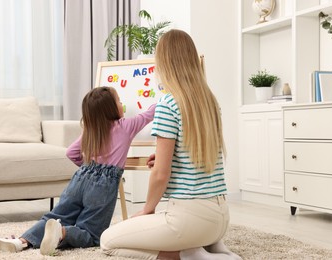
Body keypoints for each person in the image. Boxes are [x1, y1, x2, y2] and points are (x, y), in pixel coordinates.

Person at [100, 29, 241, 260]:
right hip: (220, 218)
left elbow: (160, 174)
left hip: (190, 219)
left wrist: (147, 209)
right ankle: (206, 248)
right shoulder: (209, 100)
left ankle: (192, 255)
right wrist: (170, 157)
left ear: (164, 61)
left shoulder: (167, 103)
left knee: (108, 242)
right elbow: (196, 154)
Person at [0, 86, 156, 256]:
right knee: (92, 234)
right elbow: (149, 114)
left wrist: (87, 169)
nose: (122, 104)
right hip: (103, 186)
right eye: (118, 101)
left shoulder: (91, 130)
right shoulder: (126, 126)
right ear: (111, 108)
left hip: (80, 178)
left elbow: (71, 152)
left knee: (55, 215)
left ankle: (20, 241)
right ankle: (63, 233)